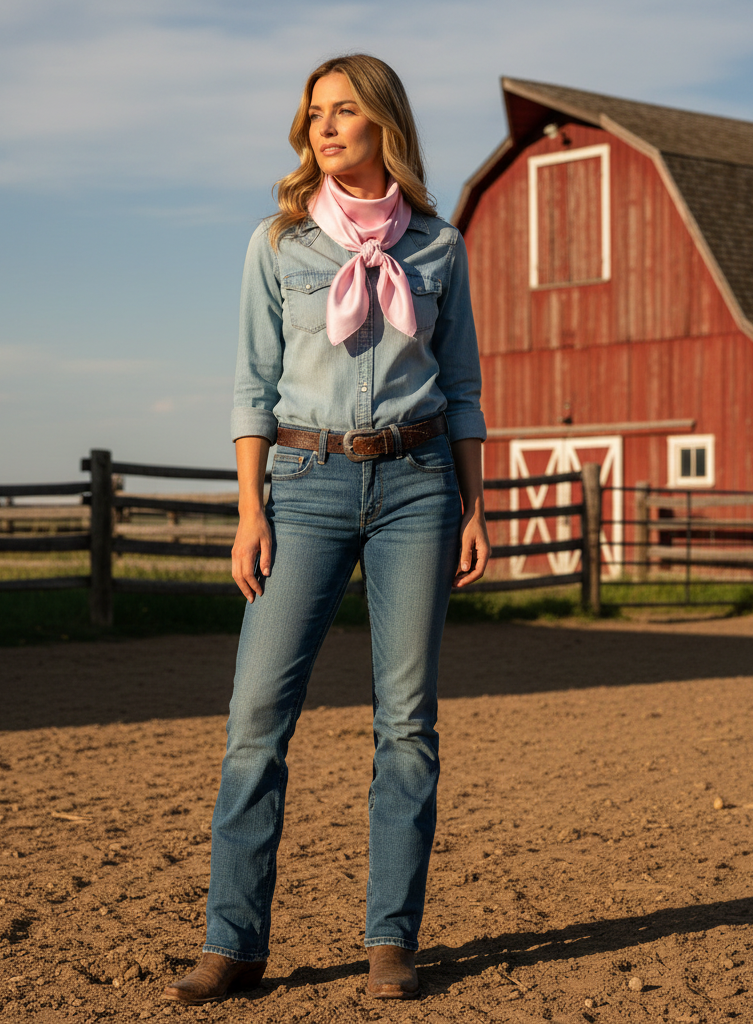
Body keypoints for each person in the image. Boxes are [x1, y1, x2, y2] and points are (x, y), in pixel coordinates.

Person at [163, 53, 489, 1005]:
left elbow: (463, 388)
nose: (325, 127)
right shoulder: (279, 244)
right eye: (314, 114)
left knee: (407, 725)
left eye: (344, 111)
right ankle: (236, 942)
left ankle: (391, 941)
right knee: (256, 720)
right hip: (303, 484)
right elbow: (250, 387)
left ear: (384, 121)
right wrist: (250, 508)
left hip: (420, 485)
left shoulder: (440, 247)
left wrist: (476, 505)